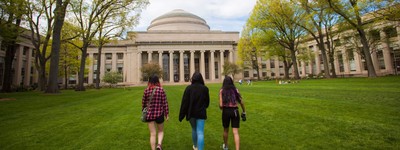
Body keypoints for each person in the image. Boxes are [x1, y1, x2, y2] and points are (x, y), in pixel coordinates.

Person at [179, 72, 210, 150]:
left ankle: (195, 146)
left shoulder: (189, 88)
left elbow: (184, 103)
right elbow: (207, 102)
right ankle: (199, 148)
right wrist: (204, 107)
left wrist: (181, 115)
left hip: (191, 113)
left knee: (194, 129)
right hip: (201, 113)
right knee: (200, 132)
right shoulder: (205, 89)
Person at [142, 75, 169, 150]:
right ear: (157, 81)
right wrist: (167, 114)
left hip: (149, 114)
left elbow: (143, 103)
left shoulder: (146, 90)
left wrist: (143, 111)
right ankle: (159, 145)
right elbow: (165, 103)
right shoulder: (161, 90)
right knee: (160, 131)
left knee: (152, 134)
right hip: (159, 114)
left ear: (149, 81)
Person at [219, 76, 246, 150]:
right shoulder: (235, 90)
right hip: (235, 111)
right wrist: (244, 111)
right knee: (235, 132)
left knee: (225, 130)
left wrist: (222, 108)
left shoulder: (222, 91)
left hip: (226, 111)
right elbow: (241, 102)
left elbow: (221, 105)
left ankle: (226, 146)